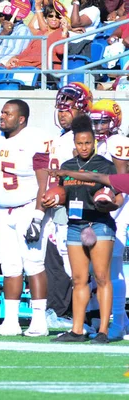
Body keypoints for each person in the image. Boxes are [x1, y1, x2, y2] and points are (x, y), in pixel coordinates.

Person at [46, 115, 121, 344]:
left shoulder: (104, 165)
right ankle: (77, 330)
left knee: (101, 277)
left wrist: (109, 203)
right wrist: (53, 200)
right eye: (80, 143)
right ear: (74, 145)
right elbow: (60, 194)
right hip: (75, 225)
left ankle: (103, 331)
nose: (84, 147)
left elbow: (118, 197)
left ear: (94, 142)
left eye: (88, 143)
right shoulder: (67, 167)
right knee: (78, 279)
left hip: (99, 223)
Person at [0, 99, 50, 337]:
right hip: (3, 210)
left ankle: (39, 321)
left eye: (7, 114)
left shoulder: (35, 138)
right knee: (9, 267)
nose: (2, 117)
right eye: (2, 112)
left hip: (28, 207)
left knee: (33, 264)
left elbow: (46, 180)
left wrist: (39, 216)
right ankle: (10, 321)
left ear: (21, 119)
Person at [44, 82, 93, 328]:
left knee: (78, 264)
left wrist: (63, 193)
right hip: (55, 208)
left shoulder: (84, 140)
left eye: (68, 108)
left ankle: (81, 315)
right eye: (60, 109)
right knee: (57, 260)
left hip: (77, 207)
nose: (63, 114)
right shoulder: (59, 139)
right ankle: (63, 311)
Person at [89, 99, 129, 339]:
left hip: (116, 211)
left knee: (113, 270)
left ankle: (118, 322)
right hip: (96, 211)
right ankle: (116, 321)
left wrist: (110, 204)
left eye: (103, 121)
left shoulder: (119, 143)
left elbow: (122, 182)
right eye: (95, 121)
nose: (98, 126)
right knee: (98, 270)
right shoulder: (93, 143)